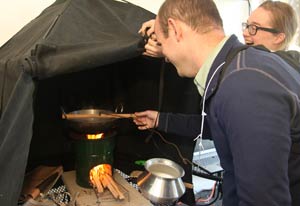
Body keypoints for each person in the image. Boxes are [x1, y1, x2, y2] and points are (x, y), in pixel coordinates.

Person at [133, 0, 300, 205]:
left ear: (176, 30)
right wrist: (160, 119)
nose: (165, 56)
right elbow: (218, 124)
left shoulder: (243, 86)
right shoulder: (238, 65)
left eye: (161, 41)